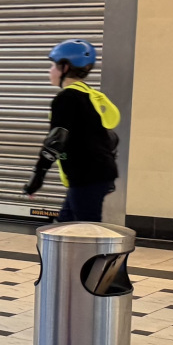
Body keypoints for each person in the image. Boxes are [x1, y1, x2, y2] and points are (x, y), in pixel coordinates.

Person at [22, 39, 120, 223]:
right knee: (67, 225)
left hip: (87, 176)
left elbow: (56, 140)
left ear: (65, 67)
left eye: (53, 65)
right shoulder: (89, 95)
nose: (50, 70)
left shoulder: (66, 98)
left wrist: (38, 176)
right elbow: (110, 138)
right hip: (95, 174)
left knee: (84, 228)